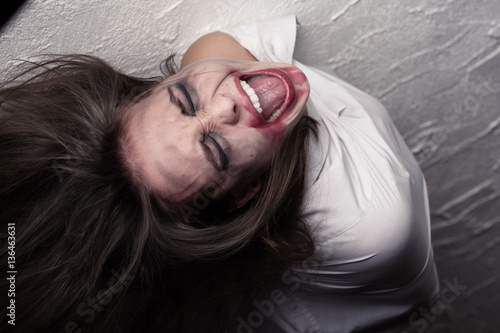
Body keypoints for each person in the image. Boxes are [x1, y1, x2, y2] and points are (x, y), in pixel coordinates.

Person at [0, 15, 439, 333]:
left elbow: (211, 45)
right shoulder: (375, 219)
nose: (225, 106)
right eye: (214, 149)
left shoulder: (211, 68)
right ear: (244, 194)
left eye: (185, 99)